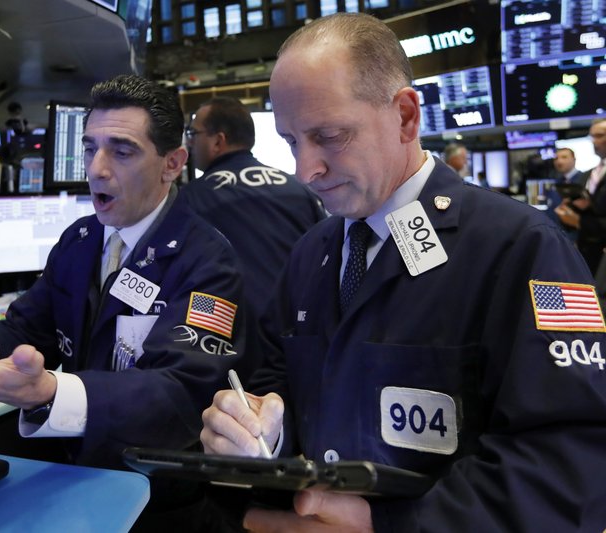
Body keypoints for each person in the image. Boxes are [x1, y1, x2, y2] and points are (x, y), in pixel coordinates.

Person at [200, 12, 606, 532]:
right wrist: (260, 431)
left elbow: (570, 463)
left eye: (330, 136)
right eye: (292, 141)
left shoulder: (521, 249)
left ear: (406, 117)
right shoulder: (310, 254)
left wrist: (393, 526)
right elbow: (275, 384)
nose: (306, 170)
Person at [0, 74, 254, 528]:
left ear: (172, 163)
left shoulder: (207, 259)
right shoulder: (80, 239)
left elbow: (180, 391)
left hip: (157, 493)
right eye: (90, 149)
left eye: (121, 151)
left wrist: (51, 392)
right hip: (76, 470)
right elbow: (26, 330)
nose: (96, 169)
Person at [180, 96, 326, 316]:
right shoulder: (300, 189)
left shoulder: (191, 199)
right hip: (302, 331)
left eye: (193, 134)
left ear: (218, 141)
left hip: (231, 338)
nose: (190, 142)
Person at [555, 119, 606, 274]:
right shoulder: (590, 173)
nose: (594, 141)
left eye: (600, 135)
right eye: (592, 137)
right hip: (587, 253)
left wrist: (580, 222)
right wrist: (570, 211)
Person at [547, 147, 586, 241]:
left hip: (579, 239)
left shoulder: (585, 180)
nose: (559, 161)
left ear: (574, 159)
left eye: (564, 157)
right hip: (557, 238)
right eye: (556, 158)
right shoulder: (555, 184)